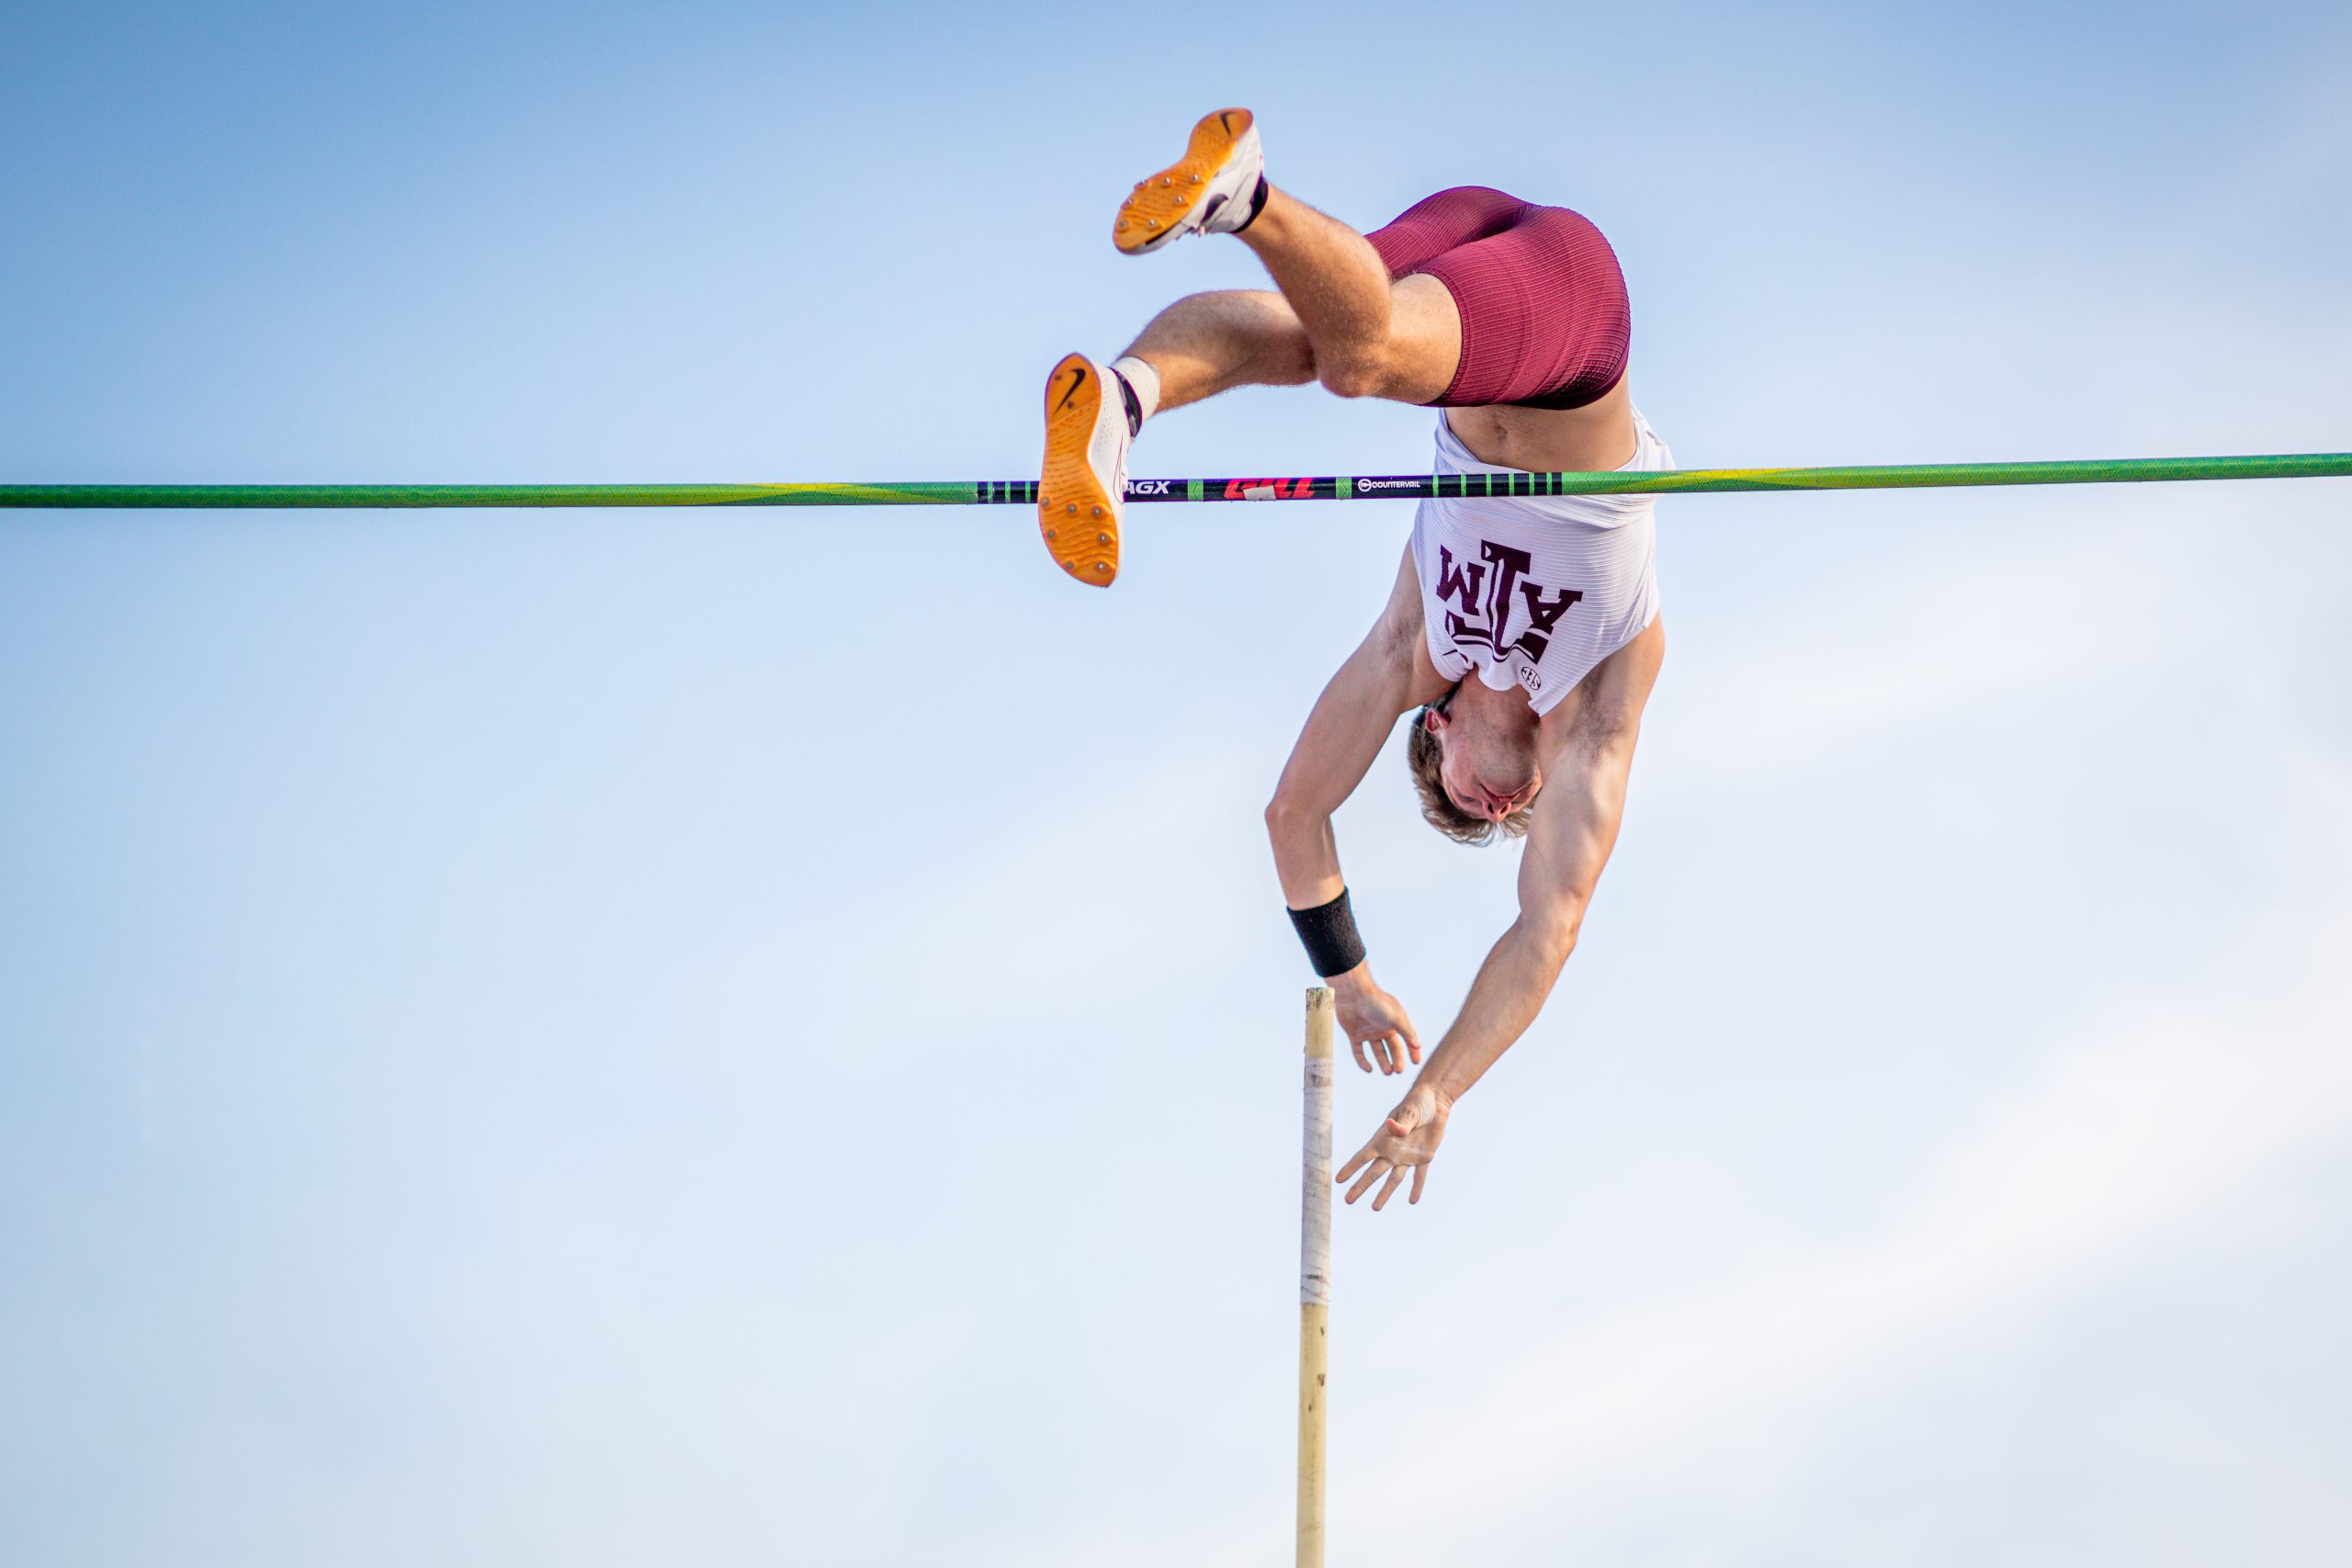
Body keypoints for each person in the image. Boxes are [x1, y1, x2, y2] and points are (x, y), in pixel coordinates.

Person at [1039, 109, 1669, 1213]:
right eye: (1503, 818)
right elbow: (1549, 924)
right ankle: (1234, 219)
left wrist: (1352, 979)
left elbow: (1293, 816)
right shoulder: (1596, 702)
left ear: (1435, 731)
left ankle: (1126, 395)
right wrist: (1441, 1095)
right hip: (1568, 329)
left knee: (1334, 342)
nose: (1503, 809)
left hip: (1499, 299)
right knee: (1356, 351)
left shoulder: (1413, 644)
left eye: (1472, 809)